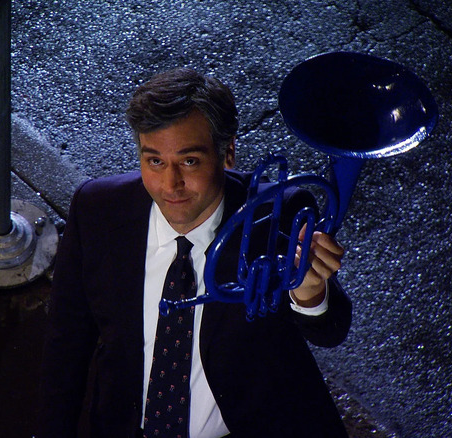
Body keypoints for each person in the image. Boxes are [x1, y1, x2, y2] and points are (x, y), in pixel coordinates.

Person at [38, 68, 351, 437]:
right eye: (154, 161)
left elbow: (331, 332)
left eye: (189, 161)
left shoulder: (276, 213)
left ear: (228, 153)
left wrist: (310, 291)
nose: (170, 185)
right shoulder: (96, 210)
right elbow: (66, 344)